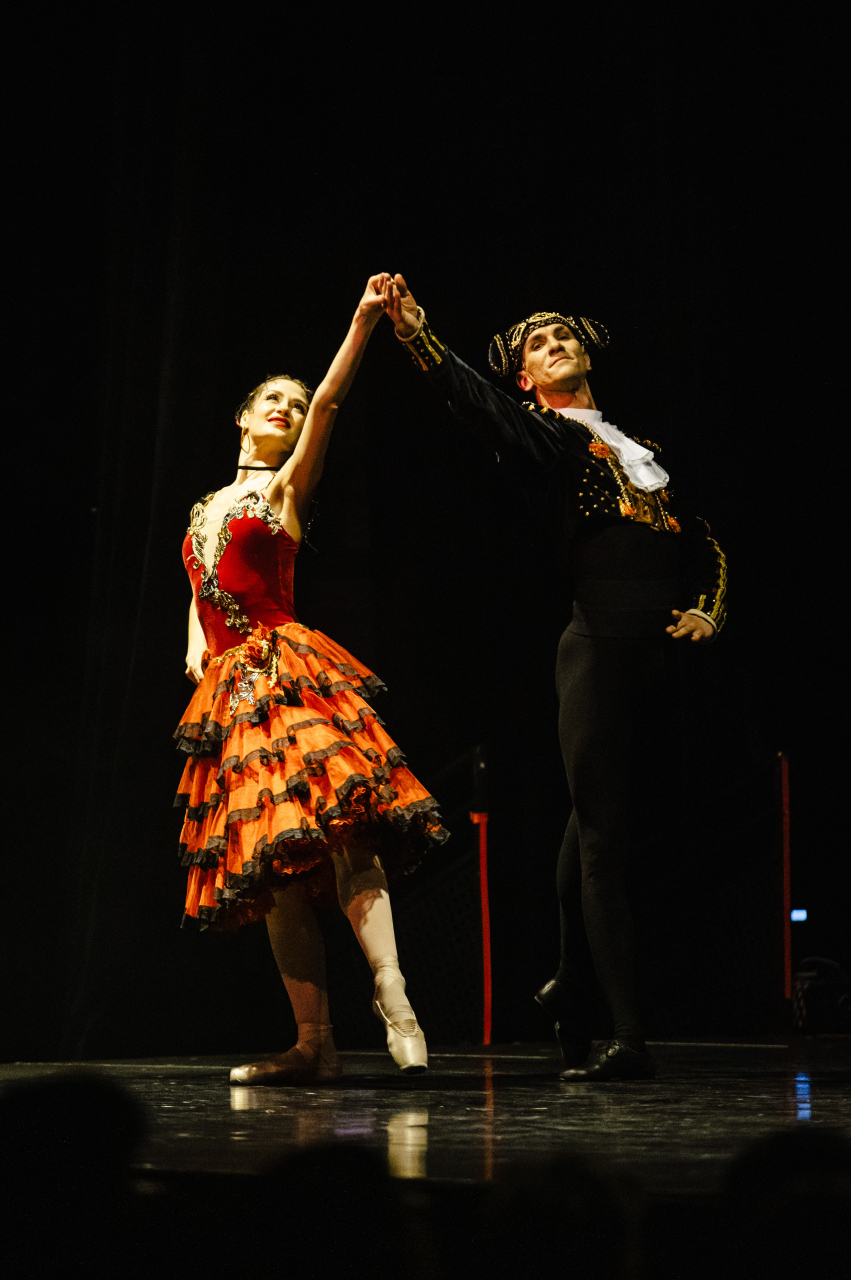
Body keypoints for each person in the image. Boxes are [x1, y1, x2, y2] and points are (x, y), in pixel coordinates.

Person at [385, 277, 726, 1081]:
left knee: (588, 831)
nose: (554, 344)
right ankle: (626, 1034)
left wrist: (706, 611)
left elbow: (704, 539)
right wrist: (418, 336)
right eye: (536, 344)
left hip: (656, 660)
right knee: (603, 846)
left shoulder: (641, 448)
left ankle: (571, 985)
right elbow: (476, 402)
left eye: (562, 334)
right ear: (525, 378)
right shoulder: (545, 437)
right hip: (596, 653)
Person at [175, 273, 446, 1084]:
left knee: (344, 830)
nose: (288, 409)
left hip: (287, 675)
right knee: (271, 871)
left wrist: (362, 324)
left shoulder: (285, 489)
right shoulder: (203, 507)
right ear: (242, 416)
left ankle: (391, 990)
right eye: (273, 400)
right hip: (230, 694)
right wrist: (193, 644)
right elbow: (198, 584)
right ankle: (312, 1044)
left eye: (294, 406)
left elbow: (330, 401)